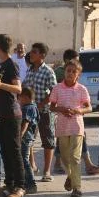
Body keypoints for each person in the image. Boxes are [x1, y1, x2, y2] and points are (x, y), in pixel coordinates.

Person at [0, 33, 26, 197]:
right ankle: (9, 184)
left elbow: (18, 89)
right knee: (5, 151)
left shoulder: (11, 64)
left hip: (13, 114)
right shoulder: (2, 65)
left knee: (15, 151)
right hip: (3, 114)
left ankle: (21, 186)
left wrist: (1, 85)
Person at [49, 60, 92, 197]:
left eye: (74, 72)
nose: (71, 73)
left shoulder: (81, 89)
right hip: (62, 127)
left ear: (78, 75)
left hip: (76, 126)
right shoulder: (57, 88)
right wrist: (61, 109)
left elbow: (89, 107)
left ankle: (77, 187)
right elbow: (52, 107)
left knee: (75, 157)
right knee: (64, 159)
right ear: (64, 72)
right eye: (69, 71)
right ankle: (71, 176)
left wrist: (78, 111)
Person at [21, 42, 57, 182]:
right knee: (28, 139)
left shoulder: (48, 71)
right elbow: (24, 89)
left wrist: (42, 104)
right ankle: (32, 165)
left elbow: (53, 91)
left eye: (34, 51)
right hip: (30, 112)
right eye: (31, 51)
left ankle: (47, 171)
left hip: (44, 111)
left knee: (47, 140)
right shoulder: (29, 71)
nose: (31, 54)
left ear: (42, 55)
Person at [19, 87, 39, 194]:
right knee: (23, 160)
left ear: (26, 97)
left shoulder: (28, 108)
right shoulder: (34, 107)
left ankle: (31, 184)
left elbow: (26, 123)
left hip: (25, 138)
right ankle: (26, 182)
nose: (19, 100)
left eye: (20, 98)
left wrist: (20, 135)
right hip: (28, 137)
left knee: (24, 160)